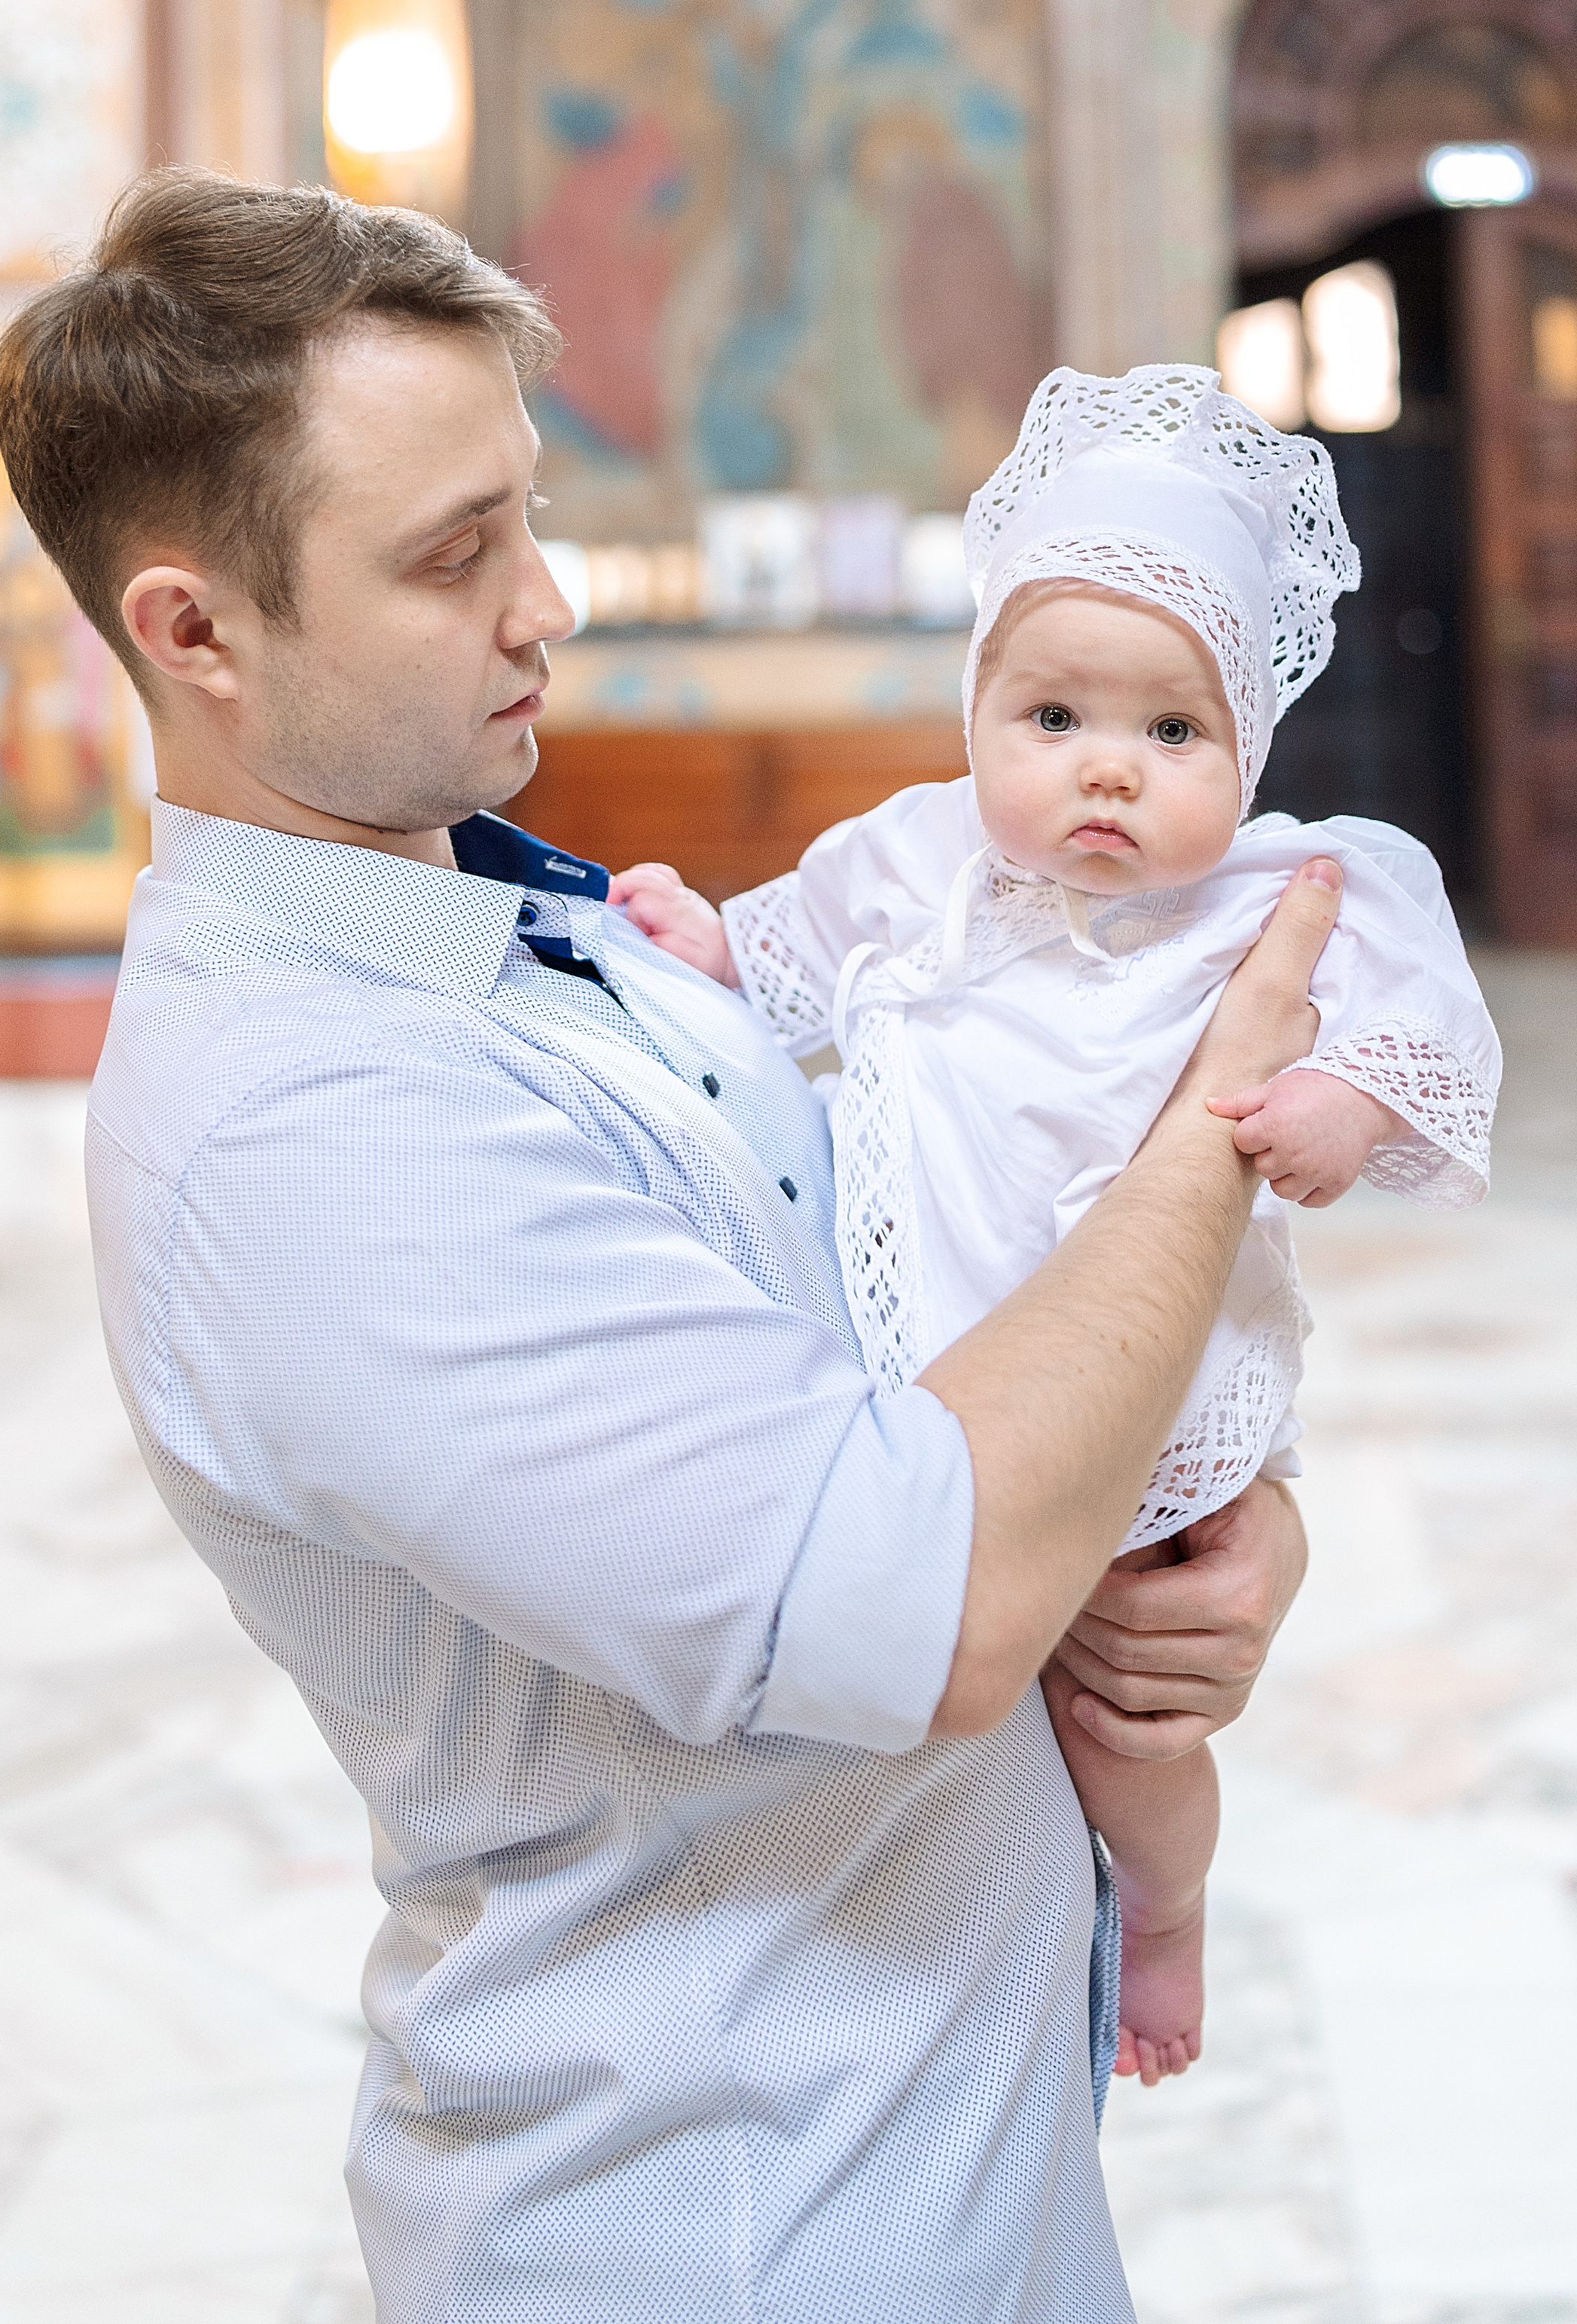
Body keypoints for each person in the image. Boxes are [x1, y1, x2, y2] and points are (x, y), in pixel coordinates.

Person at [0, 174, 1335, 2324]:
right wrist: (1219, 1115)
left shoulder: (541, 935)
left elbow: (926, 1343)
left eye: (529, 513)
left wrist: (1218, 1521)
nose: (548, 605)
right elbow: (935, 1590)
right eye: (455, 558)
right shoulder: (311, 1142)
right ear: (196, 631)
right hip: (732, 2215)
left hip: (938, 2137)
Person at [612, 364, 1501, 2090]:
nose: (1108, 772)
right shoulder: (919, 856)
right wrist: (706, 942)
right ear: (976, 712)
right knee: (978, 1650)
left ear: (1245, 746)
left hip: (1167, 1377)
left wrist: (1345, 1104)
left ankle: (1161, 1906)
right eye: (1053, 721)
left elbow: (1420, 1018)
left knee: (1128, 1704)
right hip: (944, 1341)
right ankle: (989, 1918)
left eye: (1172, 735)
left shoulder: (1292, 886)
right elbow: (782, 946)